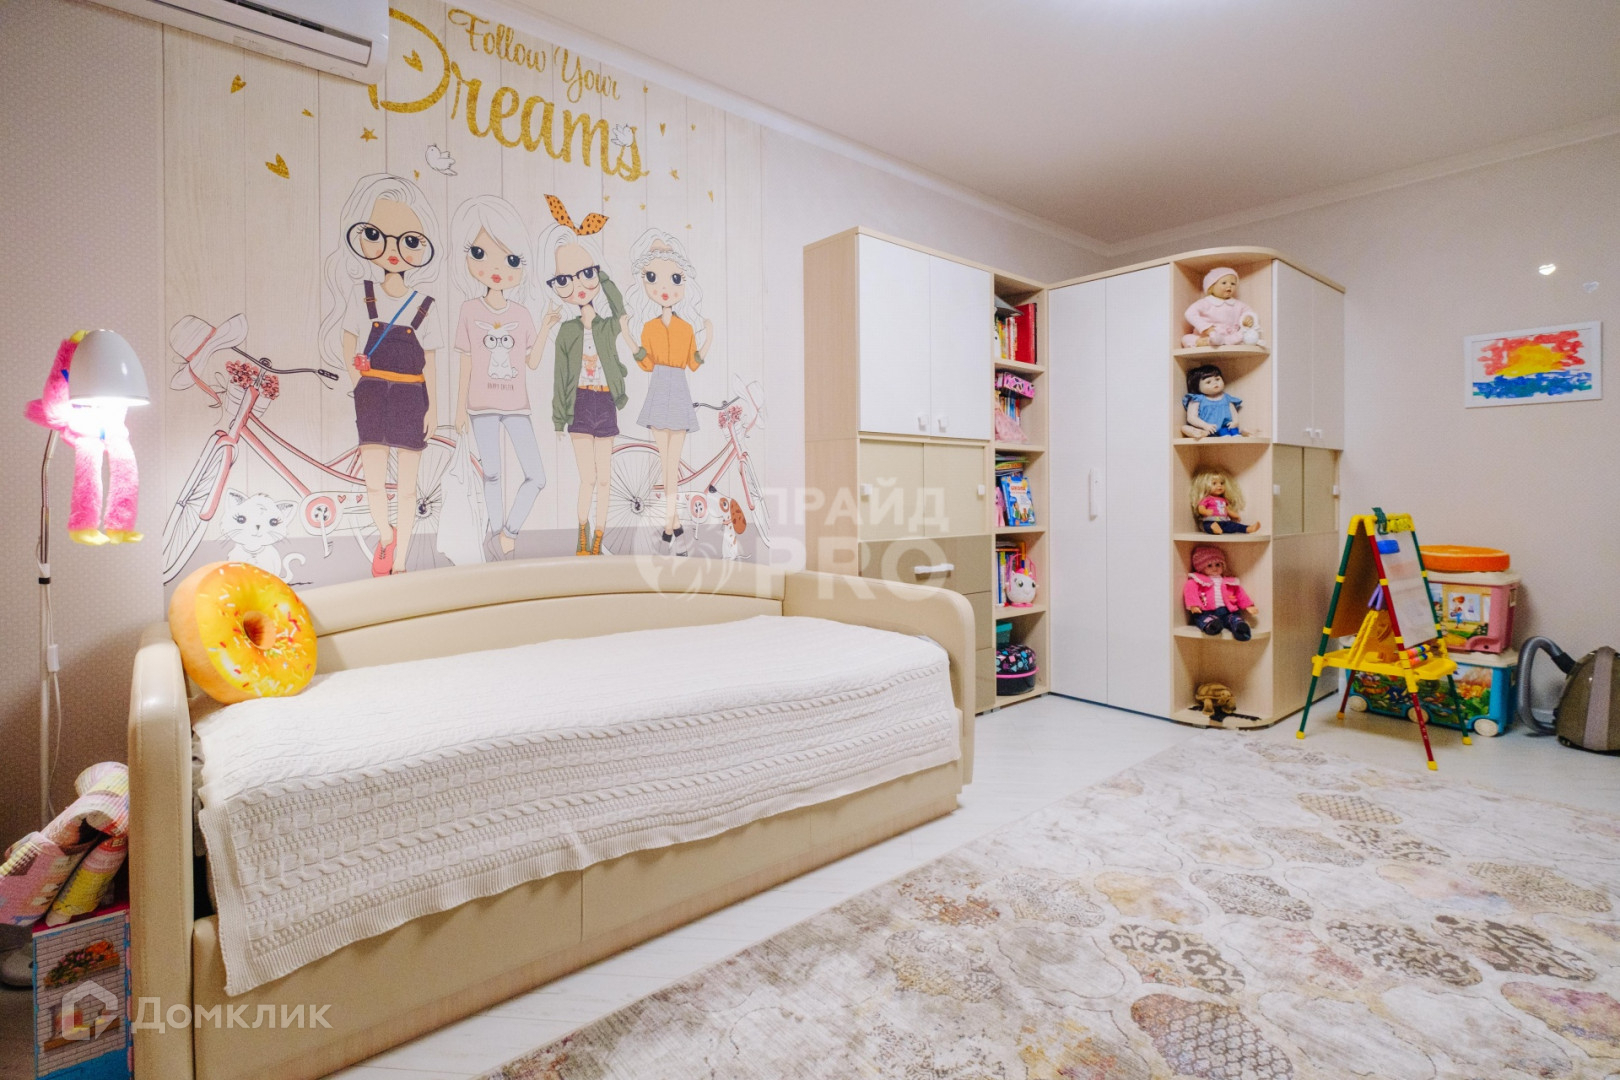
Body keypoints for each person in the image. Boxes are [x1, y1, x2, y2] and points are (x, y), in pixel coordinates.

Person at [320, 173, 441, 576]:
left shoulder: (425, 305)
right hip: (371, 394)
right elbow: (347, 341)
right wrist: (360, 384)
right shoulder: (362, 294)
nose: (393, 250)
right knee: (374, 483)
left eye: (409, 241)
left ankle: (400, 562)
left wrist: (433, 407)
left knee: (407, 489)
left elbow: (431, 360)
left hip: (411, 397)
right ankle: (386, 535)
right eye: (376, 236)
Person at [450, 196, 545, 561]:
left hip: (517, 405)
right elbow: (466, 360)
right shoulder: (468, 309)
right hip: (481, 405)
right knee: (491, 474)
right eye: (480, 254)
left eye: (510, 260)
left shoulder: (521, 313)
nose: (495, 268)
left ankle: (509, 530)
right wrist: (459, 410)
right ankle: (496, 537)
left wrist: (547, 328)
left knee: (537, 476)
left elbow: (532, 362)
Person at [541, 195, 630, 556]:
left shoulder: (607, 327)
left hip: (605, 401)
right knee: (588, 478)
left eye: (586, 275)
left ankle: (598, 539)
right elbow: (559, 377)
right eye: (565, 280)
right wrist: (557, 419)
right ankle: (582, 533)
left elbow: (621, 308)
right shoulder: (567, 331)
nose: (578, 285)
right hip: (579, 403)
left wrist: (601, 273)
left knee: (605, 479)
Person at [622, 228, 716, 552]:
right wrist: (626, 334)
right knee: (667, 464)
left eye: (674, 279)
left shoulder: (686, 328)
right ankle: (672, 524)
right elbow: (646, 364)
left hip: (678, 392)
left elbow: (693, 363)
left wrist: (708, 338)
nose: (664, 288)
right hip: (658, 390)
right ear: (645, 282)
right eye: (653, 278)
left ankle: (670, 524)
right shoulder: (648, 328)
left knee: (671, 464)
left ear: (683, 283)